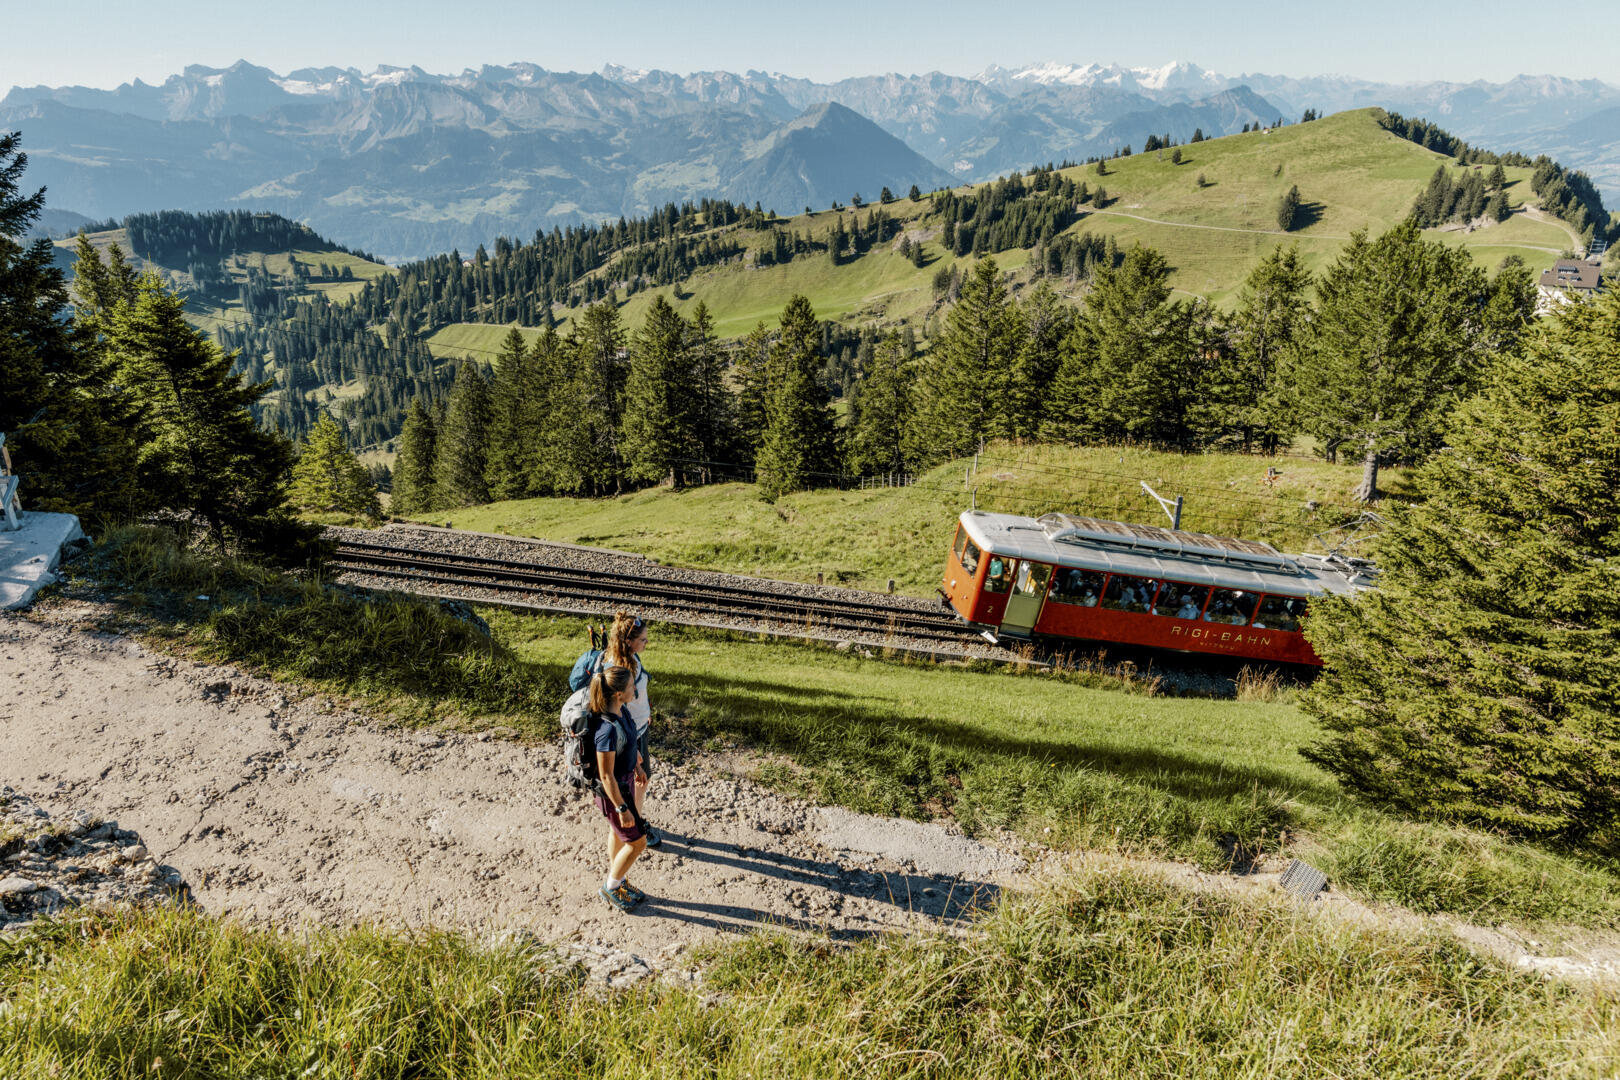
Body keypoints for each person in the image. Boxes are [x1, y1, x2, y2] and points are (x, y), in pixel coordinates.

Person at [590, 664, 648, 912]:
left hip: (624, 786)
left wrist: (637, 765)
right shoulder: (606, 731)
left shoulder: (622, 713)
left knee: (618, 833)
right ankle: (611, 887)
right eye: (630, 686)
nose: (635, 689)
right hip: (614, 795)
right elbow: (605, 775)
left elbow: (630, 741)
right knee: (638, 842)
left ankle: (619, 877)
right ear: (618, 694)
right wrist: (622, 808)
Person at [601, 612, 658, 846]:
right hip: (629, 734)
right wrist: (633, 738)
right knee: (637, 781)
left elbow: (636, 695)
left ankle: (632, 820)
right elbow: (616, 707)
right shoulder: (617, 669)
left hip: (639, 727)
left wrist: (646, 713)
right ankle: (632, 827)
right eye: (642, 639)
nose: (646, 643)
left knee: (641, 779)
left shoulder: (631, 659)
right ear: (628, 641)